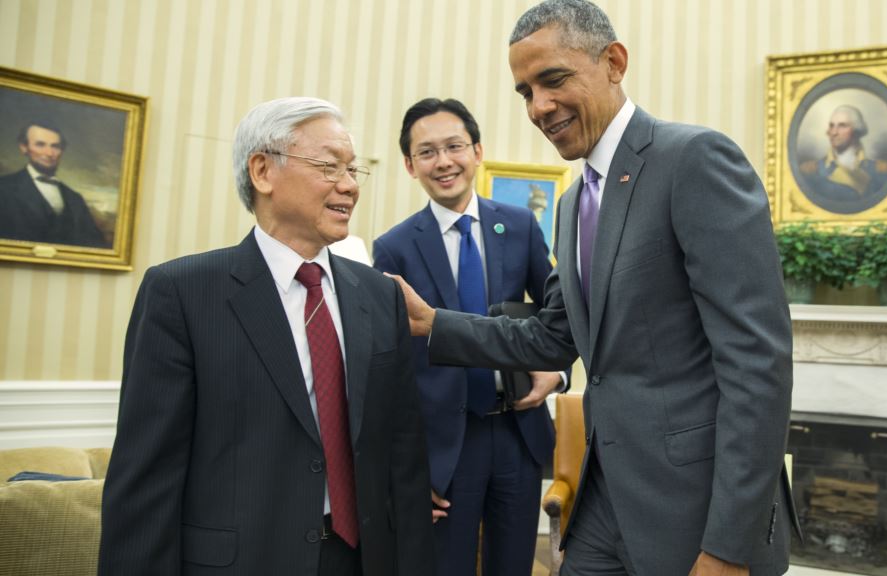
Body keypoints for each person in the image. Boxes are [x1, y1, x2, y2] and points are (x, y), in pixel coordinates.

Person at [389, 1, 798, 575]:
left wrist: (729, 547)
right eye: (525, 92)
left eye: (553, 80)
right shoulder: (570, 202)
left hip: (696, 511)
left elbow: (759, 364)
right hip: (604, 502)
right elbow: (556, 335)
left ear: (614, 61)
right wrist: (433, 323)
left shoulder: (694, 159)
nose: (539, 107)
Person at [99, 97, 435, 576]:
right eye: (328, 166)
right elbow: (146, 479)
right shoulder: (182, 294)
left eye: (353, 170)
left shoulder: (381, 297)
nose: (348, 186)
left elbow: (404, 458)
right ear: (262, 171)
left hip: (362, 559)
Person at [373, 98, 568, 576]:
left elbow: (558, 318)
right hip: (442, 444)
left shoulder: (519, 226)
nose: (444, 161)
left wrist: (557, 374)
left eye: (454, 146)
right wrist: (409, 467)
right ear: (409, 164)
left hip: (517, 433)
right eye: (427, 151)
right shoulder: (394, 248)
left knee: (514, 566)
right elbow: (389, 364)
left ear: (477, 151)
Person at [0, 121, 108, 247]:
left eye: (55, 146)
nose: (49, 153)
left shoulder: (75, 199)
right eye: (40, 145)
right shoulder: (4, 188)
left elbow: (96, 247)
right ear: (24, 148)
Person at [798, 104, 887, 212]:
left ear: (856, 130)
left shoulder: (881, 170)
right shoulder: (811, 171)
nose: (834, 132)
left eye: (842, 126)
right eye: (831, 125)